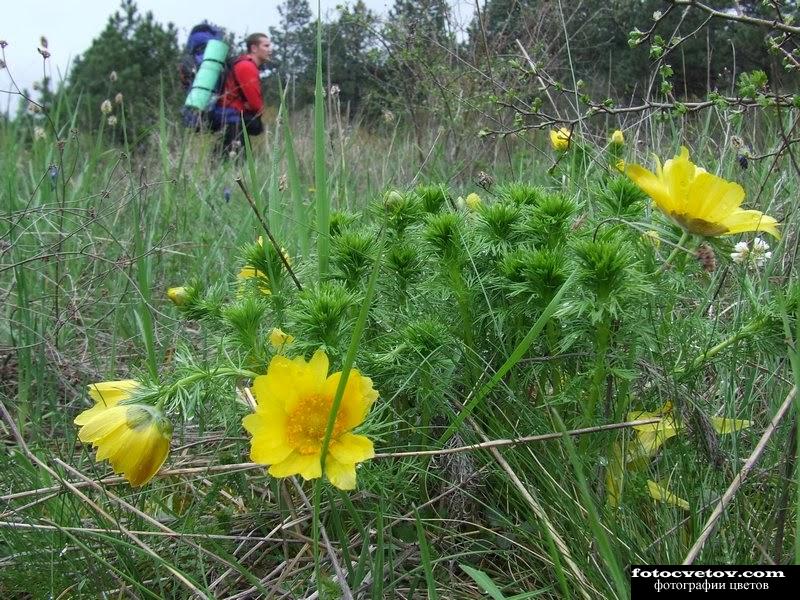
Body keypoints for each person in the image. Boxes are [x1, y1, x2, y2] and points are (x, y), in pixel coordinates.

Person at [212, 33, 272, 155]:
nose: (270, 50)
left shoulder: (243, 64)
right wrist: (250, 106)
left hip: (231, 119)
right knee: (239, 165)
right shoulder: (246, 66)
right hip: (232, 120)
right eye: (266, 46)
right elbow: (256, 105)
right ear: (254, 48)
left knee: (222, 162)